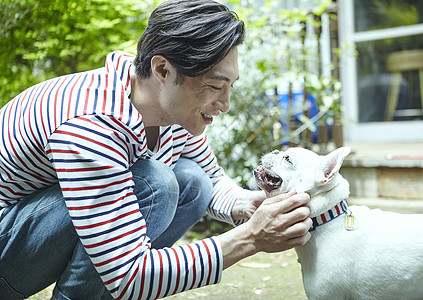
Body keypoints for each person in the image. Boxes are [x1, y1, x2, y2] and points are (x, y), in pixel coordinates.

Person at [0, 0, 312, 299]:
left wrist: (245, 205)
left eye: (230, 86)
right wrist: (250, 238)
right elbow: (127, 275)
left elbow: (211, 177)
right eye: (216, 86)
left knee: (192, 180)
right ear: (163, 70)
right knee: (155, 183)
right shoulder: (93, 124)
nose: (225, 104)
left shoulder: (164, 105)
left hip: (30, 236)